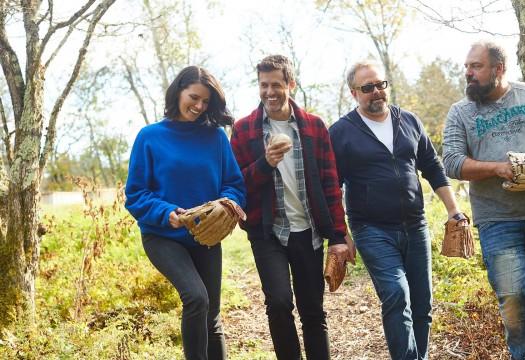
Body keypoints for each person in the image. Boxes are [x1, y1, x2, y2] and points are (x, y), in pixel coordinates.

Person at [442, 40, 525, 359]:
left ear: (498, 69)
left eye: (476, 66)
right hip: (497, 222)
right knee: (514, 305)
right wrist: (497, 168)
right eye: (467, 67)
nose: (468, 73)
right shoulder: (461, 112)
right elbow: (451, 161)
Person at [329, 61, 467, 360]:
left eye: (381, 84)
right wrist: (340, 234)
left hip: (415, 225)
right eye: (368, 88)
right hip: (371, 228)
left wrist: (454, 211)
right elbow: (332, 187)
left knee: (422, 302)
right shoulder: (341, 132)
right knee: (395, 294)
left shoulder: (409, 121)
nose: (377, 92)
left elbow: (432, 167)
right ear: (354, 93)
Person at [230, 55, 353, 360]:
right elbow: (236, 185)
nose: (269, 92)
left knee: (313, 310)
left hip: (307, 230)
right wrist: (265, 163)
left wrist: (338, 235)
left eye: (276, 84)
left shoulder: (313, 126)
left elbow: (330, 183)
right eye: (263, 85)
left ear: (290, 85)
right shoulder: (245, 129)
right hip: (267, 231)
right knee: (280, 303)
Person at [125, 66, 246, 360]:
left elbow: (233, 183)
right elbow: (135, 195)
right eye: (194, 97)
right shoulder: (150, 137)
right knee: (196, 297)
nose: (199, 106)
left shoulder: (216, 138)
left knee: (212, 317)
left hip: (205, 236)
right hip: (163, 235)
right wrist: (168, 213)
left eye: (206, 101)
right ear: (178, 91)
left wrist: (225, 203)